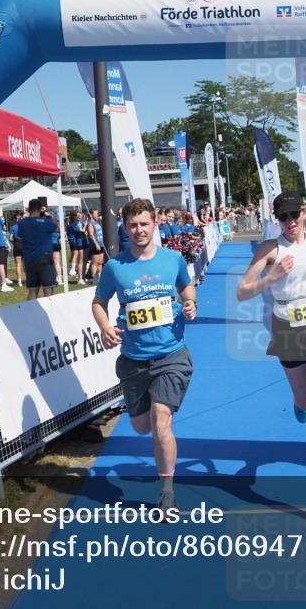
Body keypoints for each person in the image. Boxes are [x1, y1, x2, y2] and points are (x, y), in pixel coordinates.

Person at [236, 191, 306, 517]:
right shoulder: (270, 250)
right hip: (287, 327)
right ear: (277, 219)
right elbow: (242, 290)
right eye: (284, 217)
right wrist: (272, 276)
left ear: (304, 214)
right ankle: (299, 405)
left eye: (294, 215)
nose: (290, 223)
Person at [92, 198, 197, 511]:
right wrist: (104, 326)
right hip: (134, 359)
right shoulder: (115, 267)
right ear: (126, 227)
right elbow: (99, 302)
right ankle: (153, 433)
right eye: (133, 225)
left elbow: (187, 289)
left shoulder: (173, 260)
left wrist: (190, 304)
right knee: (142, 426)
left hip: (171, 355)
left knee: (161, 419)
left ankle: (167, 490)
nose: (139, 230)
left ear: (155, 224)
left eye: (144, 224)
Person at [17, 199, 58, 300]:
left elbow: (20, 234)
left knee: (33, 290)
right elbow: (56, 226)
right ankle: (48, 312)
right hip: (45, 258)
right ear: (41, 209)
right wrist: (47, 215)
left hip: (29, 259)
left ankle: (30, 313)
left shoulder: (22, 223)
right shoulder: (46, 221)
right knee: (48, 289)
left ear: (28, 209)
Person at [87, 208, 107, 283]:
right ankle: (94, 277)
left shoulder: (97, 222)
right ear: (91, 214)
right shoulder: (90, 223)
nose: (97, 215)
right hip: (95, 245)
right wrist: (96, 244)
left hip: (101, 244)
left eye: (97, 213)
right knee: (95, 262)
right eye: (96, 213)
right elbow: (91, 235)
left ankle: (99, 276)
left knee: (100, 262)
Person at [8, 212, 25, 287]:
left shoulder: (13, 227)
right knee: (25, 264)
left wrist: (14, 242)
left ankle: (19, 281)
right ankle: (28, 280)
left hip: (17, 245)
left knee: (18, 265)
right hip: (24, 245)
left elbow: (10, 238)